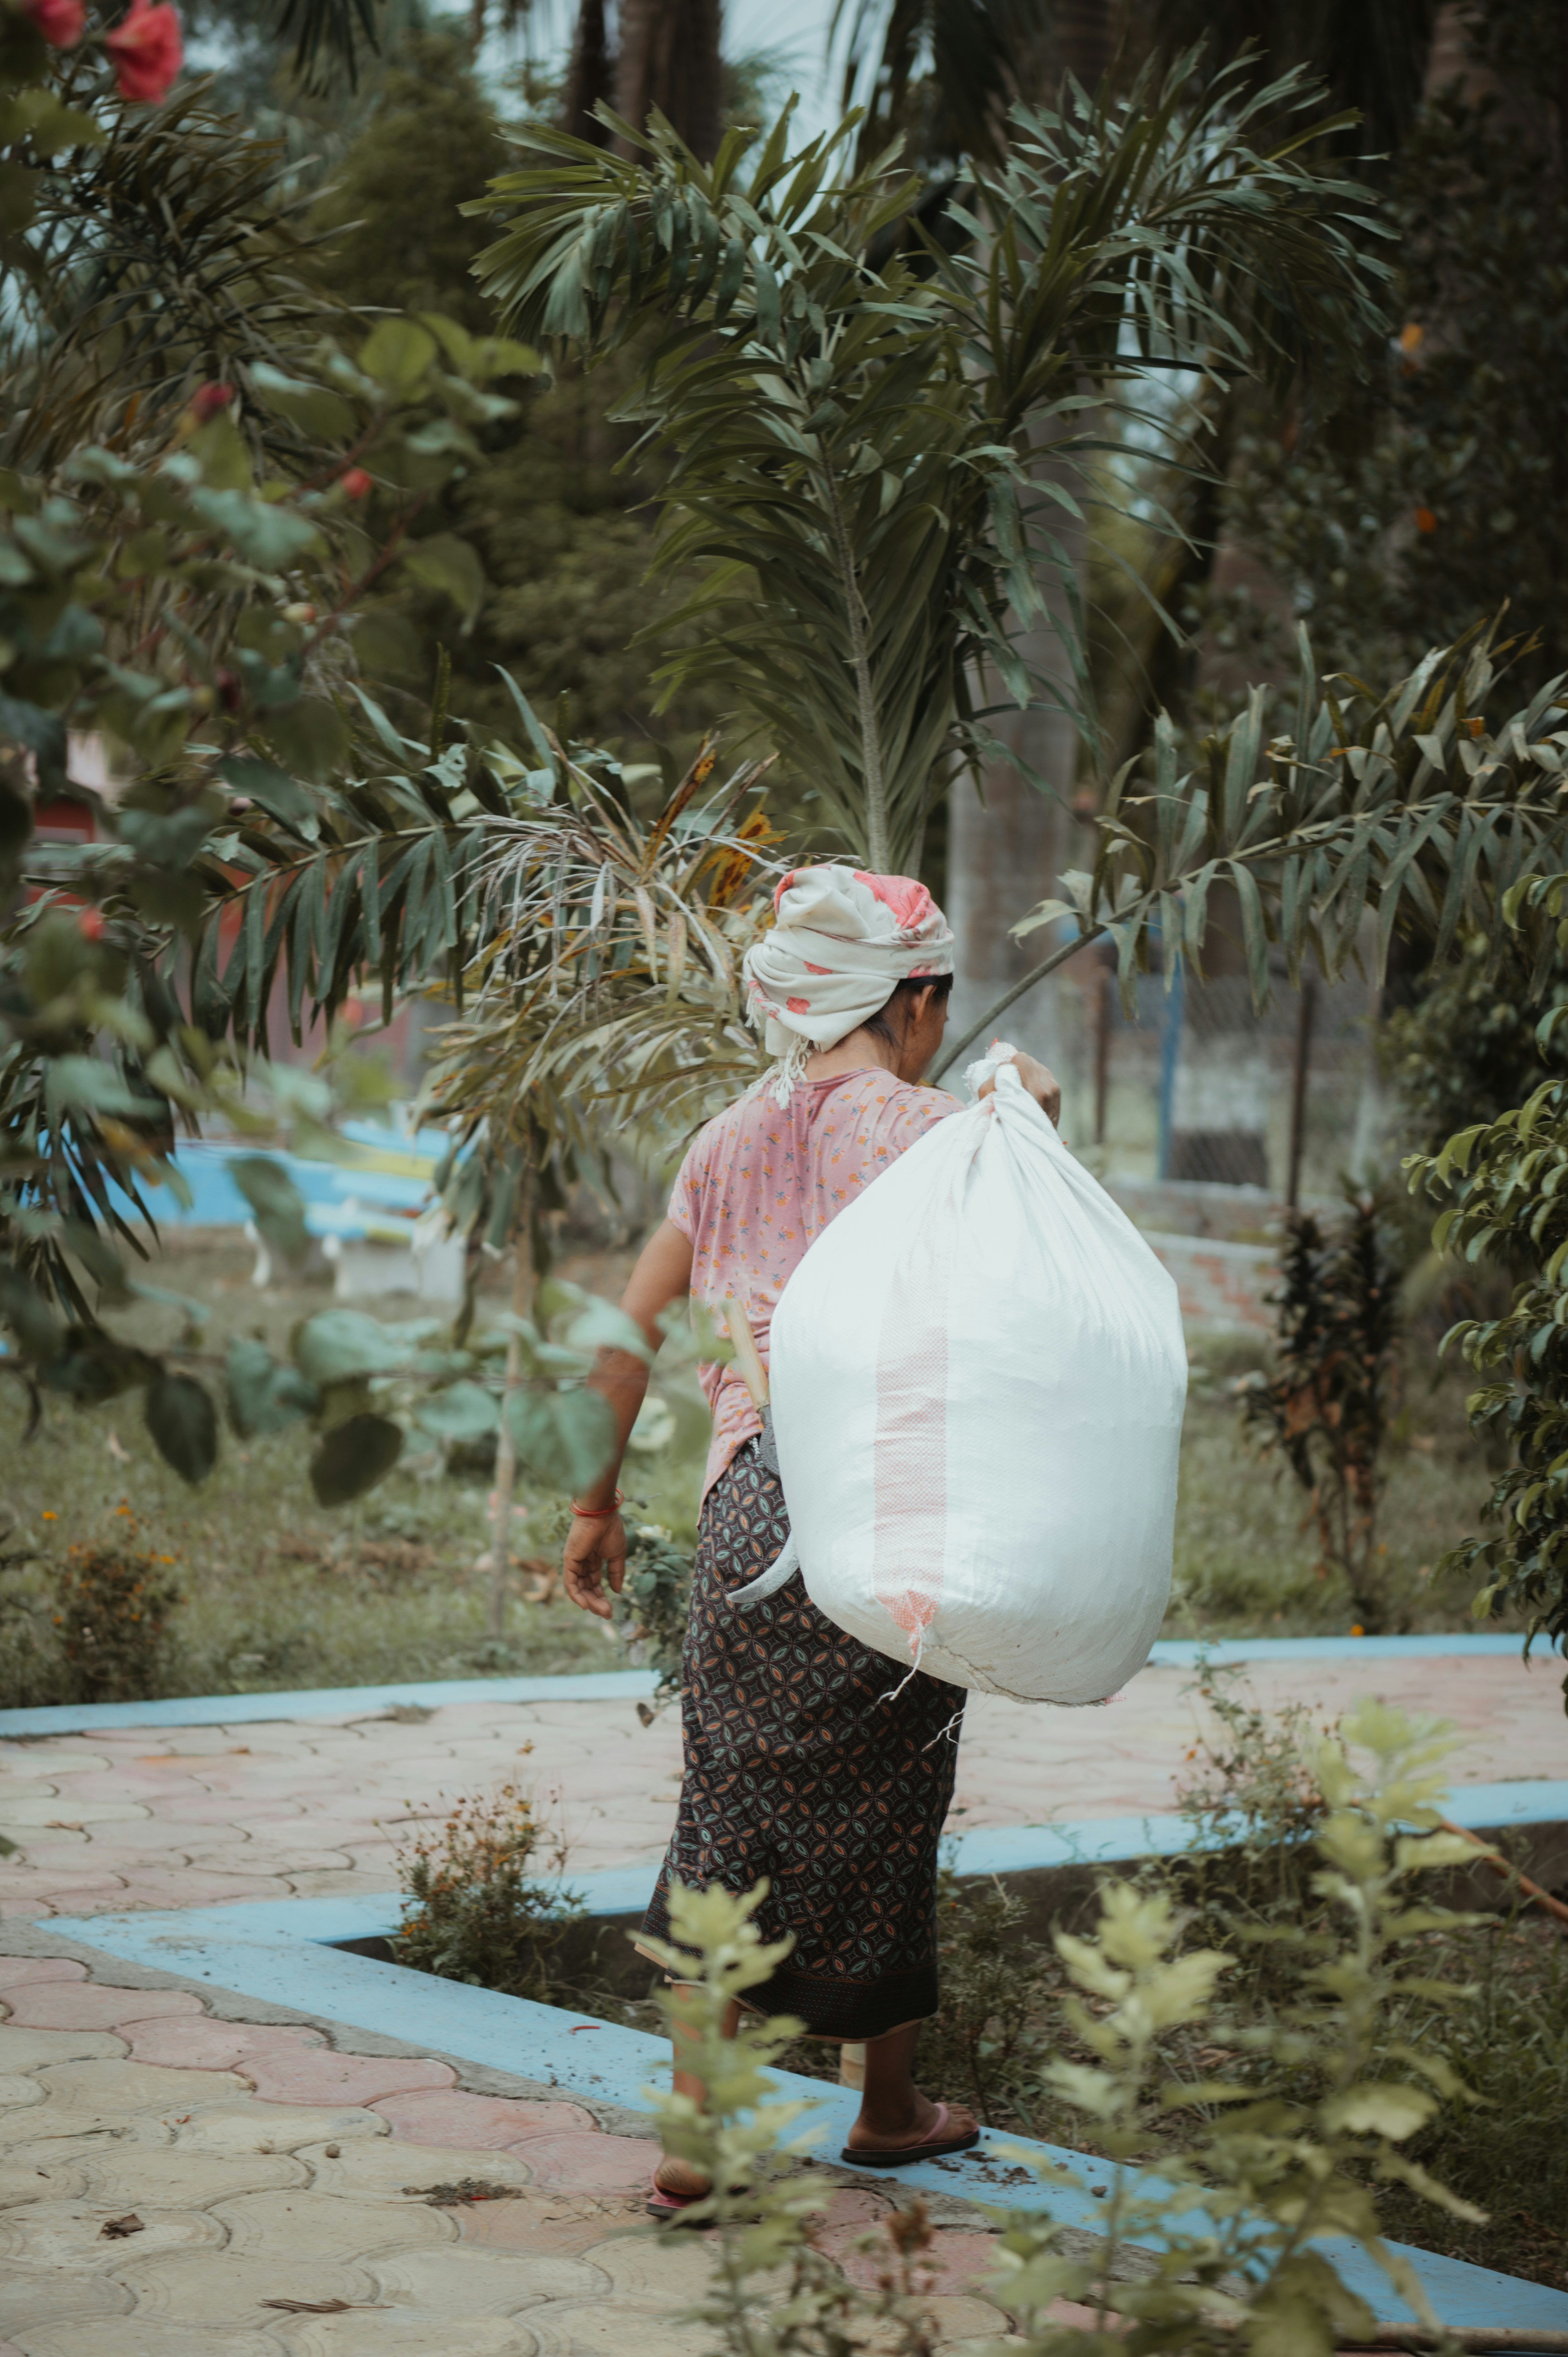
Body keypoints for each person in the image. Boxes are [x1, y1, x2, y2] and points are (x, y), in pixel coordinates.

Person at [561, 865, 1060, 2214]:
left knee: (725, 1801)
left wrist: (593, 1505)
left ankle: (697, 2131)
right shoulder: (933, 1132)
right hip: (879, 1505)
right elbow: (1033, 1283)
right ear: (914, 1000)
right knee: (894, 1797)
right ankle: (886, 2109)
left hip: (745, 1508)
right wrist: (1038, 1121)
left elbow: (625, 1334)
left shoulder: (722, 1142)